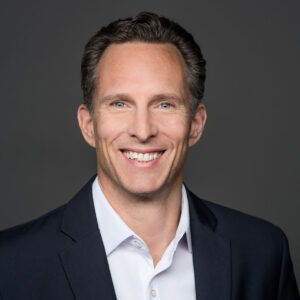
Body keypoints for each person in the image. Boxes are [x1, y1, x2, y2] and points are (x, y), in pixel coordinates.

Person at [0, 12, 299, 300]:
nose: (143, 131)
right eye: (119, 104)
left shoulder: (263, 253)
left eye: (164, 105)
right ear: (88, 125)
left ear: (195, 124)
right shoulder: (11, 264)